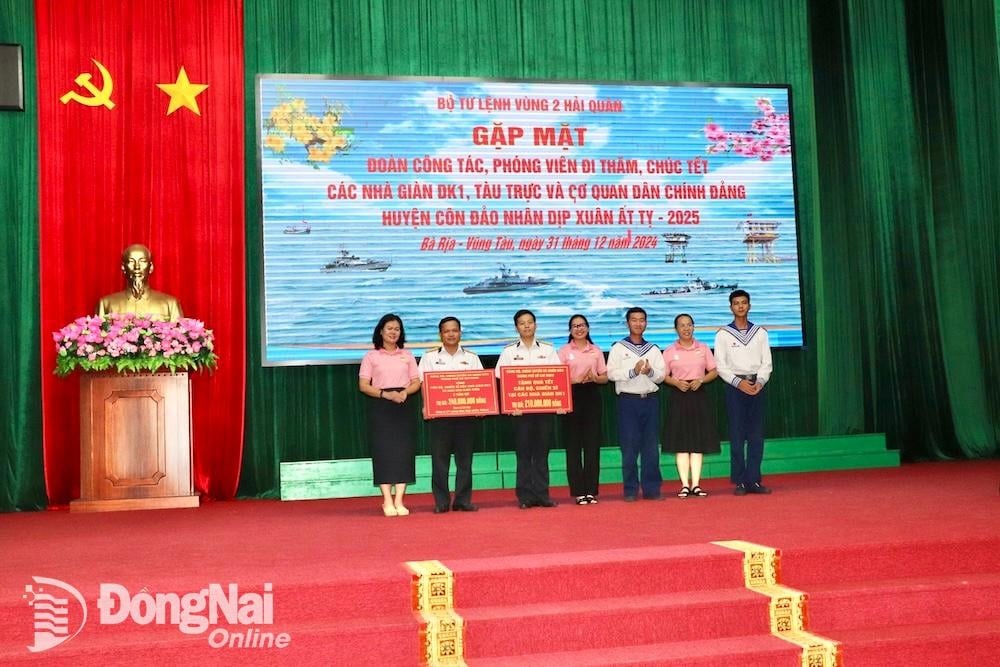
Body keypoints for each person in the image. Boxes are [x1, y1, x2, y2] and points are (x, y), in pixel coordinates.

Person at [418, 316, 483, 513]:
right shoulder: (429, 357)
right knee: (440, 460)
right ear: (441, 334)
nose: (451, 334)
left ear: (460, 332)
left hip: (466, 416)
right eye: (447, 331)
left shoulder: (471, 357)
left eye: (455, 330)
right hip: (440, 417)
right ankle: (441, 501)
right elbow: (423, 384)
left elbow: (480, 384)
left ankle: (463, 500)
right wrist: (426, 406)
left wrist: (481, 406)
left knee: (465, 460)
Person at [495, 309, 559, 509]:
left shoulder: (548, 350)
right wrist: (510, 404)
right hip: (520, 412)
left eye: (530, 322)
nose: (527, 326)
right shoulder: (509, 352)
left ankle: (542, 494)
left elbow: (557, 377)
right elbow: (501, 379)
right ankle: (524, 496)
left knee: (541, 453)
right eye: (522, 323)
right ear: (516, 327)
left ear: (535, 325)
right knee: (523, 455)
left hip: (543, 410)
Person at [358, 314, 422, 516]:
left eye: (397, 329)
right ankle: (387, 501)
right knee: (383, 452)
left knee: (404, 451)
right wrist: (386, 394)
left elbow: (416, 382)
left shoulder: (408, 355)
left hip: (403, 404)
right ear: (381, 331)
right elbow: (363, 386)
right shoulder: (371, 356)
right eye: (389, 328)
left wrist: (405, 392)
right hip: (381, 406)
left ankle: (400, 500)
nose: (393, 332)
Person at [714, 290, 773, 495]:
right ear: (730, 307)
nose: (740, 306)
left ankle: (754, 480)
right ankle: (739, 481)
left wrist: (760, 382)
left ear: (749, 306)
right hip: (735, 388)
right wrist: (739, 383)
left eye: (744, 303)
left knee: (756, 436)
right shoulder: (723, 334)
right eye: (736, 303)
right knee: (737, 436)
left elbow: (767, 363)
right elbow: (720, 366)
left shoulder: (760, 333)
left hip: (757, 385)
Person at [606, 307, 666, 501]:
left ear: (646, 323)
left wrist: (649, 371)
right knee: (629, 447)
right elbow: (611, 373)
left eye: (642, 320)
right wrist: (632, 371)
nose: (638, 323)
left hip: (650, 400)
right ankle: (630, 490)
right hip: (628, 401)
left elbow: (661, 376)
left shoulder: (654, 349)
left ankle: (652, 489)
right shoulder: (618, 348)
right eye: (634, 320)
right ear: (627, 323)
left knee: (650, 447)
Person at [662, 313, 719, 498]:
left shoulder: (702, 348)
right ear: (676, 329)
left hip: (698, 395)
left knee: (697, 440)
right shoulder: (669, 351)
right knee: (681, 441)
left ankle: (696, 484)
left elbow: (714, 371)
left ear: (694, 327)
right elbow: (663, 375)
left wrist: (701, 380)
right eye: (682, 325)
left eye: (689, 325)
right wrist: (676, 382)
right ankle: (684, 485)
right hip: (679, 395)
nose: (686, 328)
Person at [557, 314, 608, 505]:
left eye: (582, 325)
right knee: (573, 446)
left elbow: (605, 377)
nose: (579, 328)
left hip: (592, 395)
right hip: (571, 396)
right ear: (570, 330)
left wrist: (595, 378)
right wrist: (575, 380)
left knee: (592, 445)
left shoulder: (595, 350)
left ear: (588, 328)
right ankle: (579, 491)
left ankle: (591, 491)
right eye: (575, 326)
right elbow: (557, 378)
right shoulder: (563, 351)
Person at [97, 244, 183, 321]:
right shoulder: (106, 304)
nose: (137, 267)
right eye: (131, 261)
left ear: (151, 267)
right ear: (123, 267)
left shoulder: (170, 304)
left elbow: (179, 336)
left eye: (142, 261)